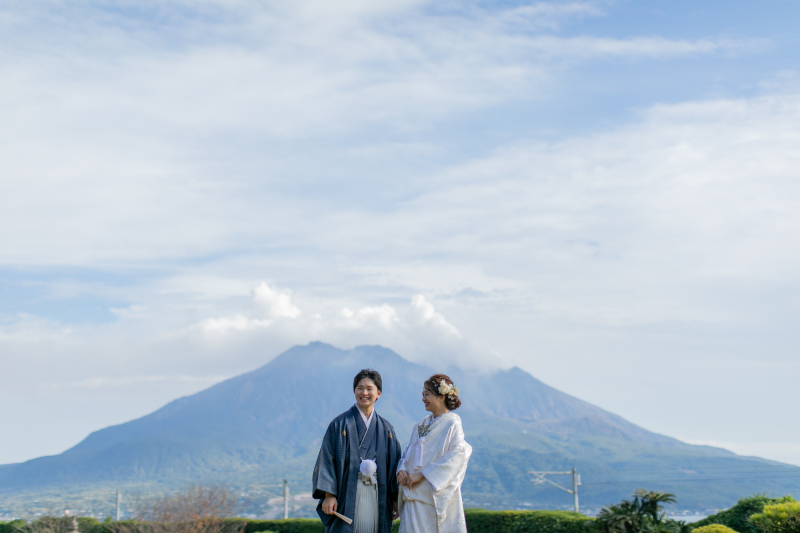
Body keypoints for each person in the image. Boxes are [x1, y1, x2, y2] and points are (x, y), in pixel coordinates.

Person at [312, 368, 402, 533]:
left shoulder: (386, 429)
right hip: (347, 497)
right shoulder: (339, 425)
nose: (364, 392)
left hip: (377, 496)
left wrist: (395, 498)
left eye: (369, 389)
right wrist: (328, 495)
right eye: (360, 388)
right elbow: (327, 459)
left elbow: (395, 465)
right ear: (354, 391)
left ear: (379, 393)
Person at [396, 374, 472, 533]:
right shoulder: (420, 425)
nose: (423, 398)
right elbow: (408, 453)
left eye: (427, 394)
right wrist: (401, 470)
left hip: (430, 497)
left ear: (441, 396)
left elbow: (456, 455)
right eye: (422, 394)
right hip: (412, 494)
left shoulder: (453, 423)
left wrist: (423, 474)